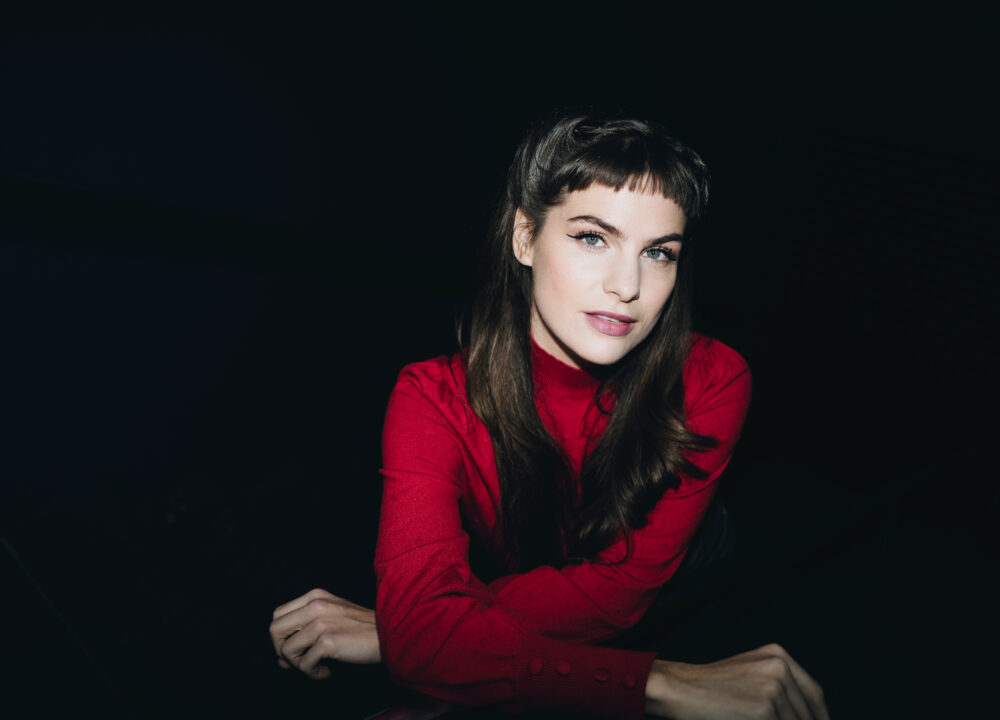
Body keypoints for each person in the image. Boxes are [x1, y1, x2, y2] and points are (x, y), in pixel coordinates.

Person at [270, 111, 829, 719]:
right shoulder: (432, 398)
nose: (628, 285)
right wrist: (658, 684)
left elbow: (617, 590)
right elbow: (432, 631)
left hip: (688, 603)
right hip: (568, 629)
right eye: (593, 237)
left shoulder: (711, 377)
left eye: (659, 252)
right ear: (524, 237)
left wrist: (416, 633)